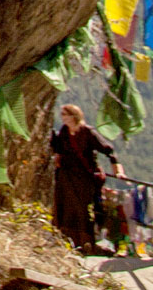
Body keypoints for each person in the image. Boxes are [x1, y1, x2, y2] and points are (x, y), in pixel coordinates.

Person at [52, 102, 121, 252]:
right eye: (62, 115)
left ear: (74, 116)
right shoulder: (64, 131)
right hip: (67, 176)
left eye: (66, 115)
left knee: (82, 209)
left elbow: (108, 149)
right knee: (66, 208)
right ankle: (67, 239)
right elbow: (58, 148)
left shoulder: (87, 133)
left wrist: (117, 169)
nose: (63, 118)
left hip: (84, 178)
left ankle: (86, 242)